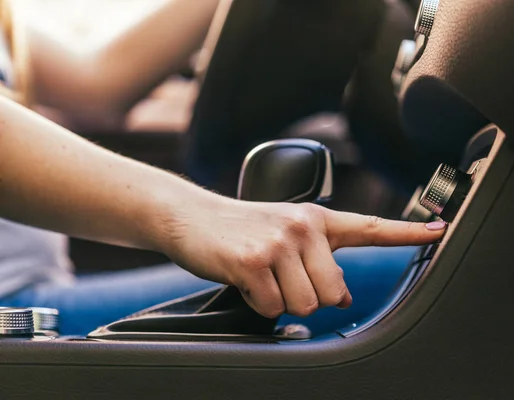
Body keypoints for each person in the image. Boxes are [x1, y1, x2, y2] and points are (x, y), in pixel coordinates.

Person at [0, 0, 446, 336]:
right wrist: (190, 213)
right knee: (430, 276)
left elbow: (95, 85)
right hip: (16, 310)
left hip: (44, 289)